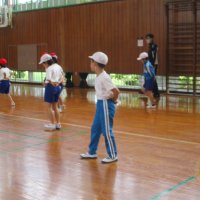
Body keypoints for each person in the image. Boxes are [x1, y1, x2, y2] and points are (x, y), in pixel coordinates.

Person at [80, 52, 120, 164]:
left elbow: (116, 91)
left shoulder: (104, 77)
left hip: (106, 105)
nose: (90, 63)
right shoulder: (99, 76)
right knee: (95, 128)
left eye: (91, 61)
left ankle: (113, 155)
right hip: (101, 104)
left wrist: (114, 100)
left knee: (107, 131)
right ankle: (92, 152)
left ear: (95, 64)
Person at [39, 53, 63, 130]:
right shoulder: (58, 66)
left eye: (43, 63)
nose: (43, 65)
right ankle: (58, 124)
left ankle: (52, 124)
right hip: (58, 87)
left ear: (46, 62)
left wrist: (45, 83)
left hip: (50, 88)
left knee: (48, 107)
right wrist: (58, 83)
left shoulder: (49, 69)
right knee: (55, 106)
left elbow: (48, 80)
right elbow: (61, 77)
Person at [145, 33, 160, 99]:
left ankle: (156, 94)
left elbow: (154, 57)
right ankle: (155, 93)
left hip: (153, 65)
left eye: (148, 38)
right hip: (150, 65)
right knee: (152, 79)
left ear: (151, 38)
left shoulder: (154, 46)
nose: (147, 40)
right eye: (146, 38)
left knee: (152, 79)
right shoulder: (150, 46)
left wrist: (153, 66)